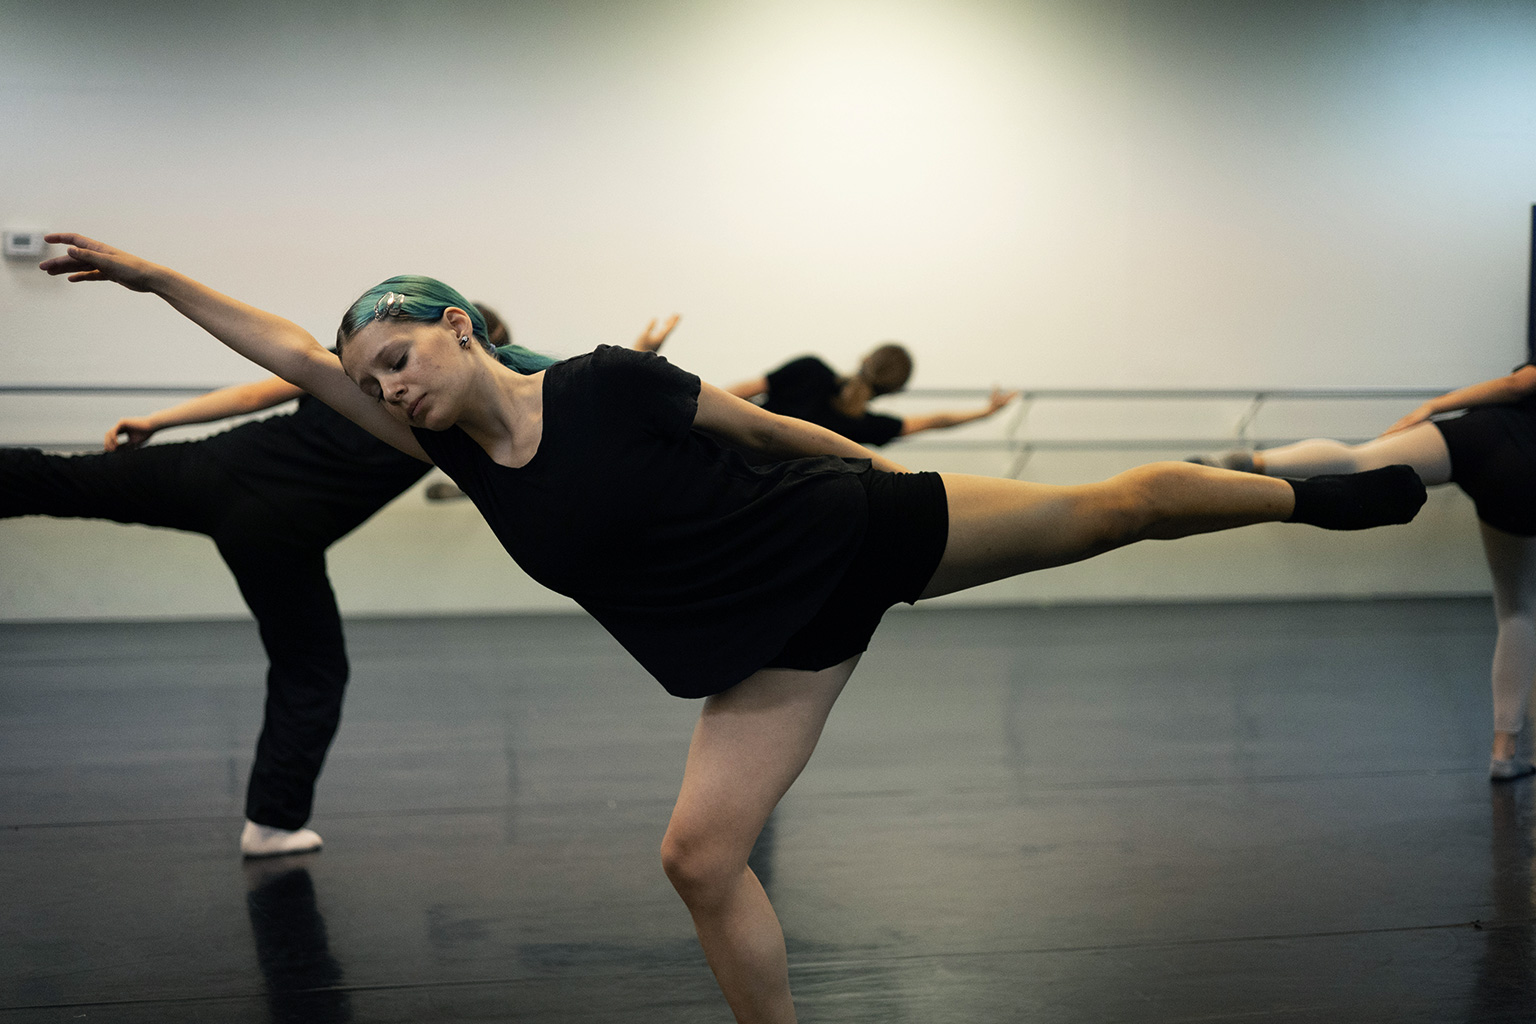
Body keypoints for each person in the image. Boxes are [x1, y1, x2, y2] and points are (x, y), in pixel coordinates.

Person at [40, 232, 1426, 1024]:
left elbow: (764, 427)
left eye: (396, 357)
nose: (383, 388)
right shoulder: (451, 456)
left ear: (460, 330)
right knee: (699, 857)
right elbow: (286, 351)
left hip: (848, 537)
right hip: (767, 646)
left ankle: (1305, 492)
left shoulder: (606, 382)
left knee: (1117, 506)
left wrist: (895, 478)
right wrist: (154, 279)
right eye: (367, 380)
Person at [0, 323, 556, 858]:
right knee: (313, 670)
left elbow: (248, 396)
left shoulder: (357, 367)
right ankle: (272, 823)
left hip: (219, 470)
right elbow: (546, 420)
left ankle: (275, 823)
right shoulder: (452, 421)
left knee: (64, 478)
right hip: (276, 532)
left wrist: (158, 420)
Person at [1190, 365, 1536, 782]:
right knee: (1516, 609)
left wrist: (1432, 406)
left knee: (1360, 459)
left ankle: (1257, 461)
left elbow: (1518, 383)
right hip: (1525, 484)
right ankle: (1505, 751)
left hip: (1490, 432)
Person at [727, 345, 1019, 446]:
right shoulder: (866, 426)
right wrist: (986, 412)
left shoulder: (810, 368)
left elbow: (738, 394)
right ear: (895, 391)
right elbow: (935, 421)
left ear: (865, 357)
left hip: (728, 451)